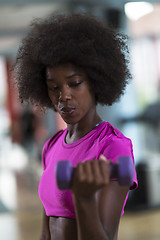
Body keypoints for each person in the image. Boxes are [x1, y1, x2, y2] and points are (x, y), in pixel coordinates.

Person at [14, 13, 138, 240]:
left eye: (75, 83)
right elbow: (46, 230)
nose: (64, 96)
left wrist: (84, 198)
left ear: (96, 81)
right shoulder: (51, 146)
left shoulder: (114, 147)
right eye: (54, 87)